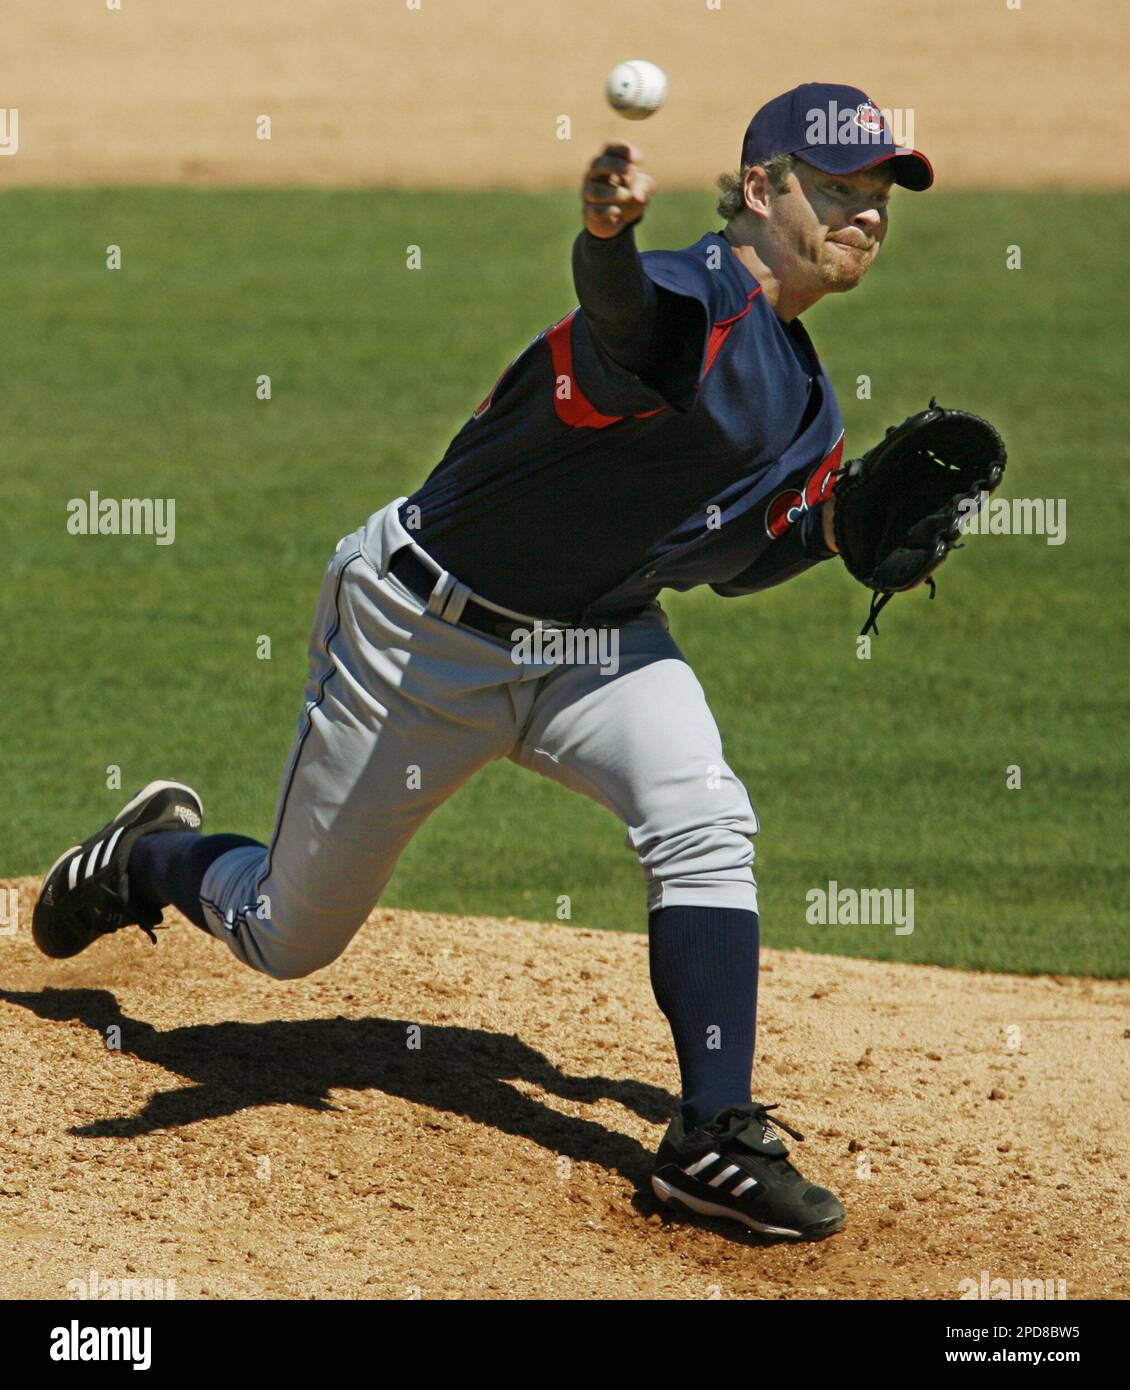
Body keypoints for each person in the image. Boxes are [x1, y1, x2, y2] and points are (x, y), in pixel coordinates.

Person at [33, 83, 933, 1241]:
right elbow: (623, 324)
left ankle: (710, 1135)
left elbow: (734, 564)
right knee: (287, 938)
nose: (864, 212)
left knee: (703, 814)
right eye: (838, 186)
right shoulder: (692, 295)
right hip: (420, 636)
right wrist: (602, 239)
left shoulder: (810, 408)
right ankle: (151, 857)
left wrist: (836, 536)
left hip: (597, 641)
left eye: (878, 195)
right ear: (759, 191)